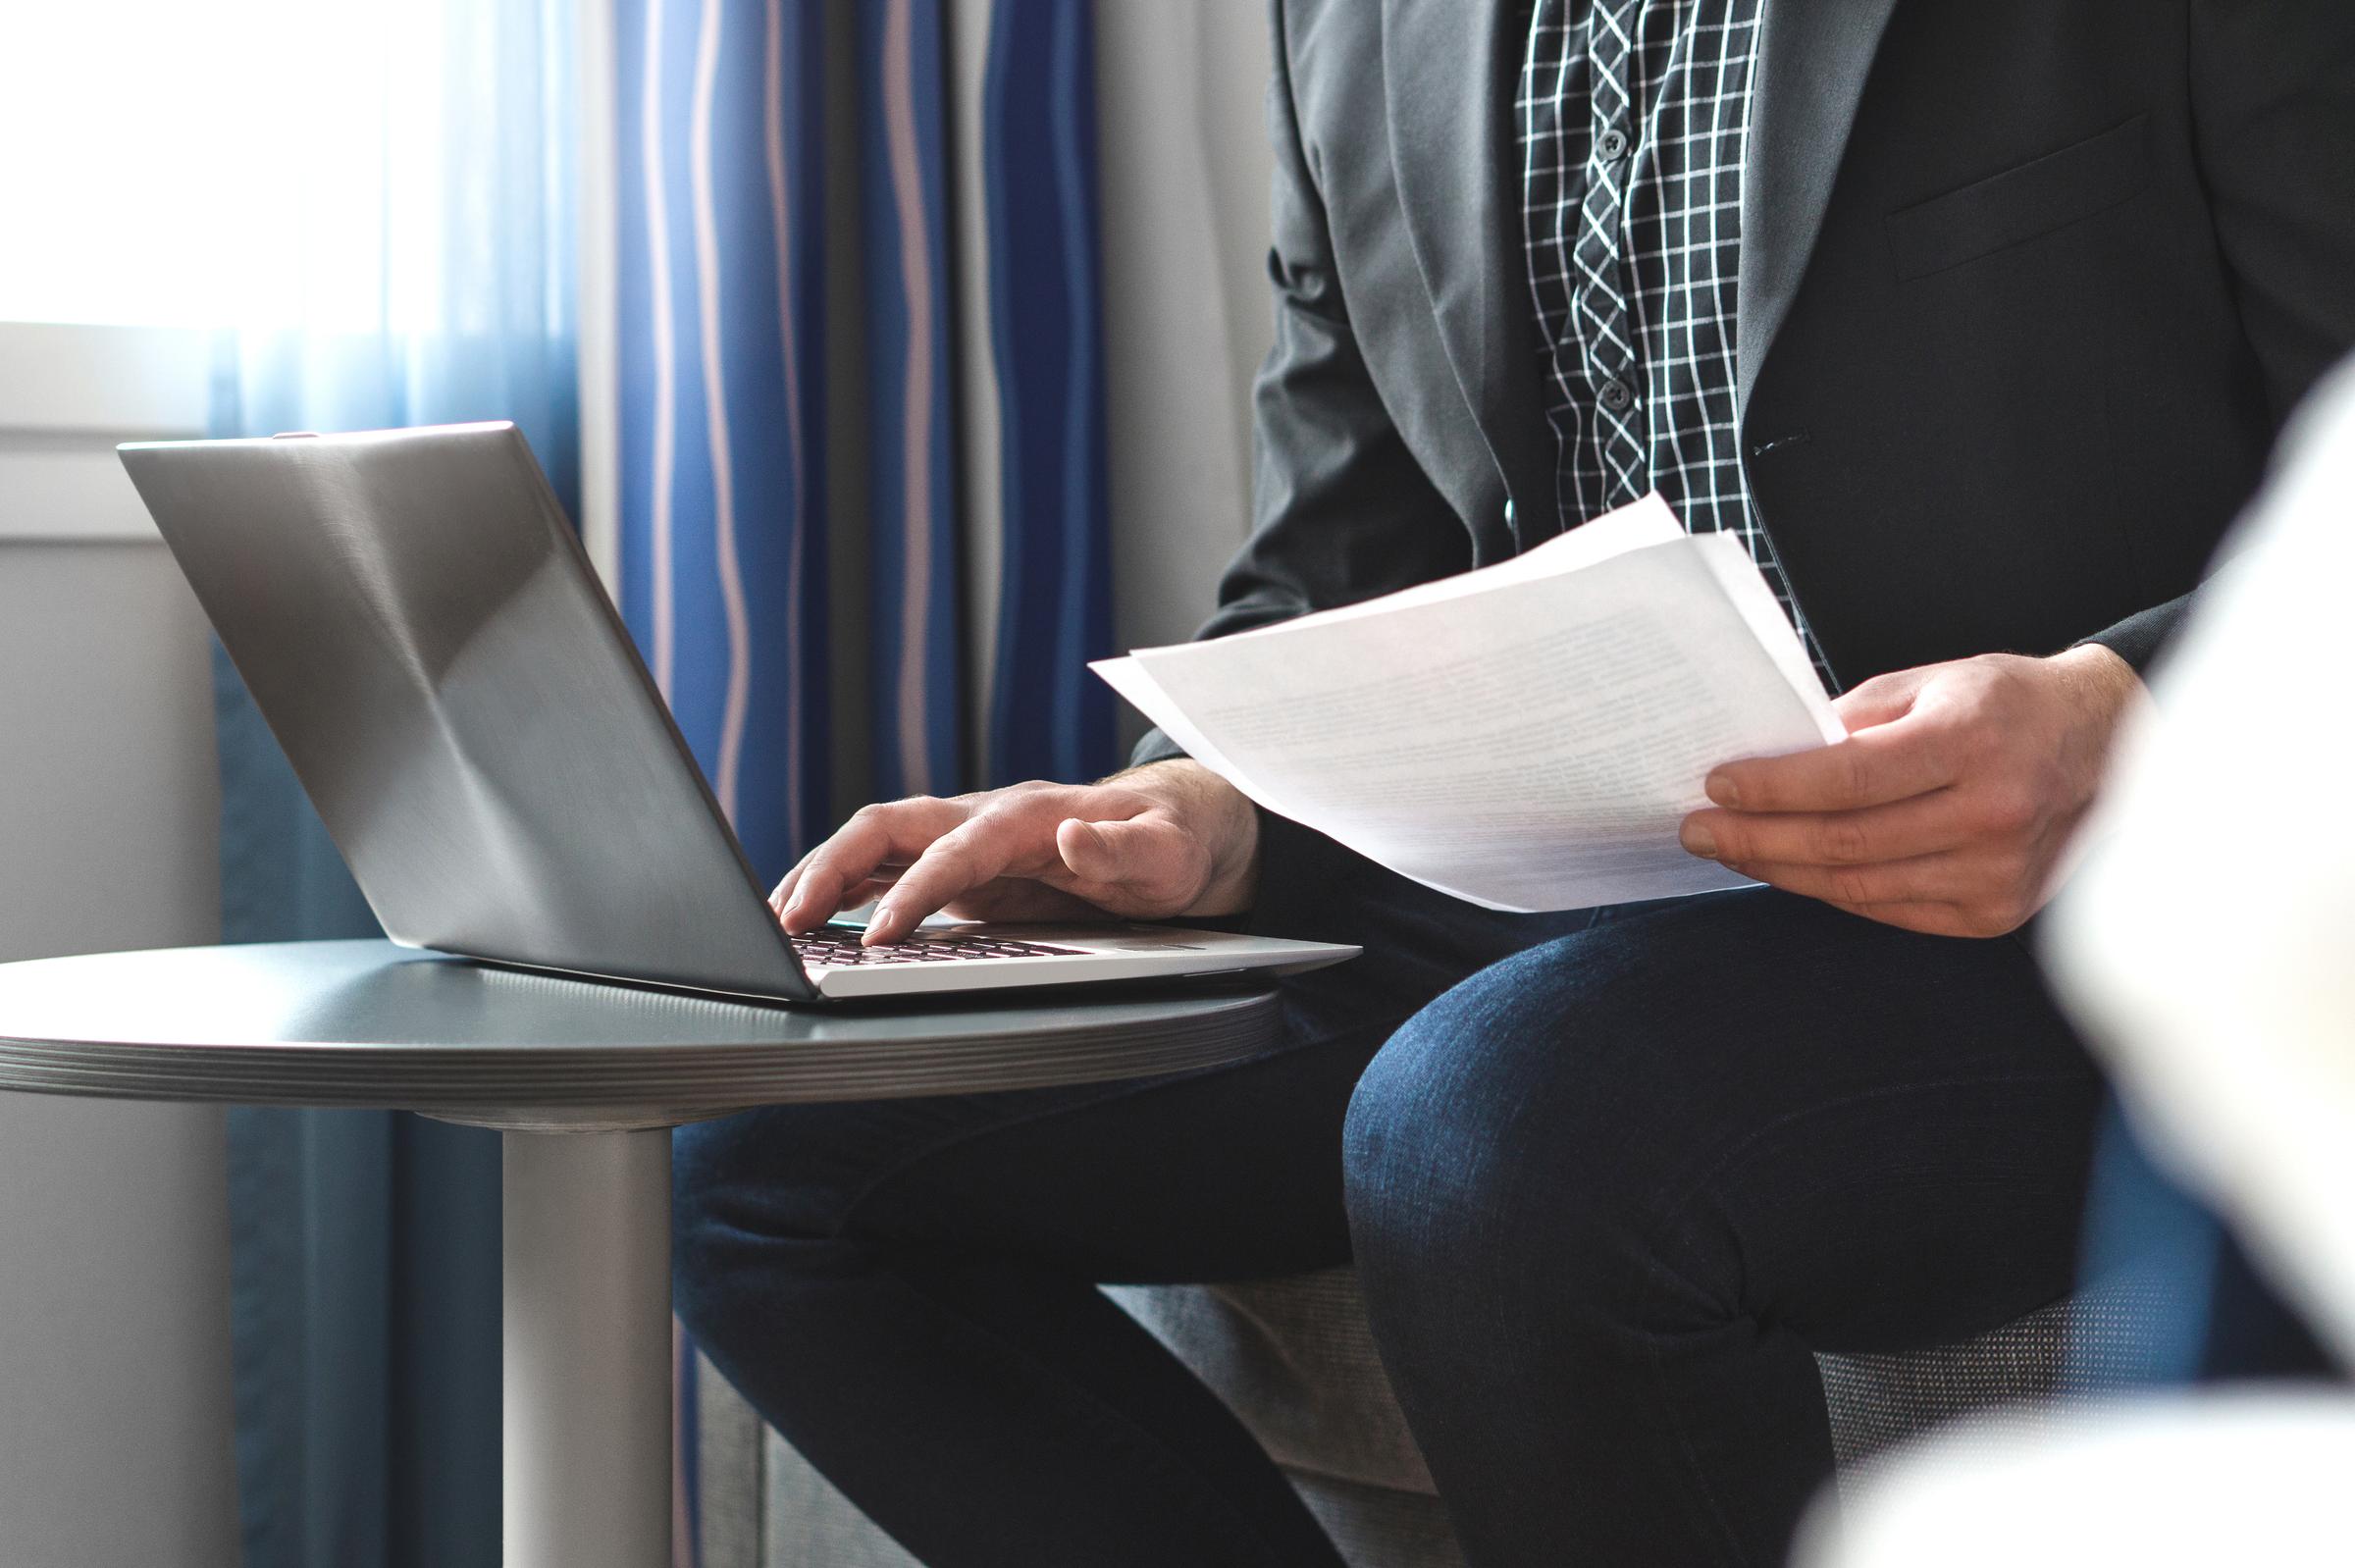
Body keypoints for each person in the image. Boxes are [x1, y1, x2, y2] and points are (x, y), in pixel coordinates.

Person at [673, 3, 2355, 1563]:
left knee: (1491, 1133)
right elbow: (1338, 554)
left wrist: (2117, 710)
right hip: (1528, 902)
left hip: (2062, 915)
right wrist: (1204, 804)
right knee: (773, 1156)